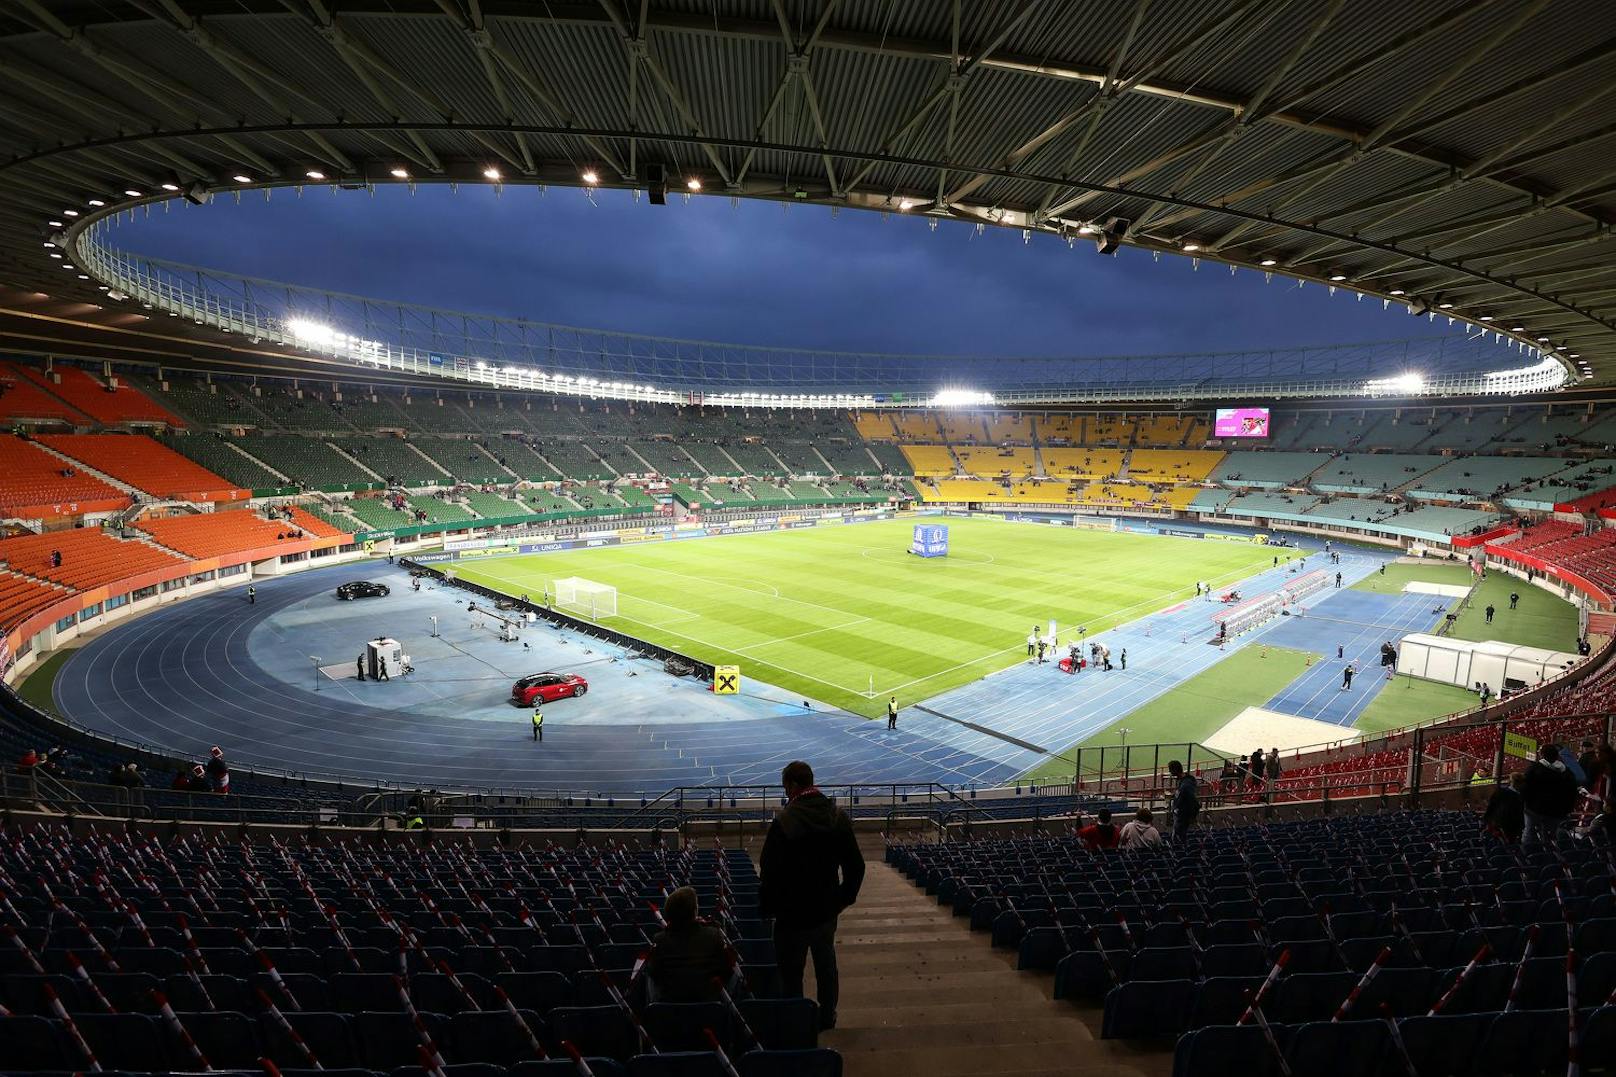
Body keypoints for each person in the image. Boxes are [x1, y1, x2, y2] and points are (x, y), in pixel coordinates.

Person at [759, 761, 865, 1031]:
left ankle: (797, 1021)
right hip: (825, 910)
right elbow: (856, 866)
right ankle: (827, 1016)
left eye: (785, 787)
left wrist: (770, 909)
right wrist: (842, 900)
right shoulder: (836, 816)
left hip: (791, 915)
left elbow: (769, 872)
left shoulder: (784, 822)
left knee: (791, 972)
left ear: (793, 785)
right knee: (826, 965)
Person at [646, 886, 731, 1003]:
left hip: (670, 1008)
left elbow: (655, 974)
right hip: (709, 1007)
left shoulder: (659, 939)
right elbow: (726, 971)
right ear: (694, 911)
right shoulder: (713, 935)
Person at [1520, 744, 1578, 845]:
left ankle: (1528, 855)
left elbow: (1525, 789)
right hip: (1557, 812)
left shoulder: (1534, 769)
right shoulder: (1567, 772)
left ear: (1542, 755)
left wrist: (1526, 804)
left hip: (1535, 810)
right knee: (1552, 839)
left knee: (1529, 835)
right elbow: (1572, 792)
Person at [1483, 774, 1525, 843]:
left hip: (1498, 822)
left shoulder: (1501, 791)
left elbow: (1491, 806)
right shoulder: (1520, 797)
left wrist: (1487, 819)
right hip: (1510, 826)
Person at [1168, 761, 1198, 839]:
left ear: (1175, 770)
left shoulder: (1186, 784)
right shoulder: (1183, 782)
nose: (1169, 772)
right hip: (1180, 815)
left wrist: (1192, 816)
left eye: (1170, 770)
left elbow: (1192, 800)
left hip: (1182, 817)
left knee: (1178, 838)